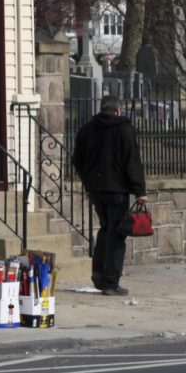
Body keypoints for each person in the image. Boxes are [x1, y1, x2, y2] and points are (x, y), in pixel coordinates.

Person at [72, 94, 148, 296]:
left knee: (105, 229)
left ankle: (98, 273)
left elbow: (77, 159)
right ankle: (110, 281)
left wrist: (88, 180)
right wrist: (139, 191)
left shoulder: (87, 129)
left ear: (102, 109)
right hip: (118, 189)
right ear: (118, 110)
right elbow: (132, 161)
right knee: (117, 234)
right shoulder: (124, 129)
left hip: (96, 189)